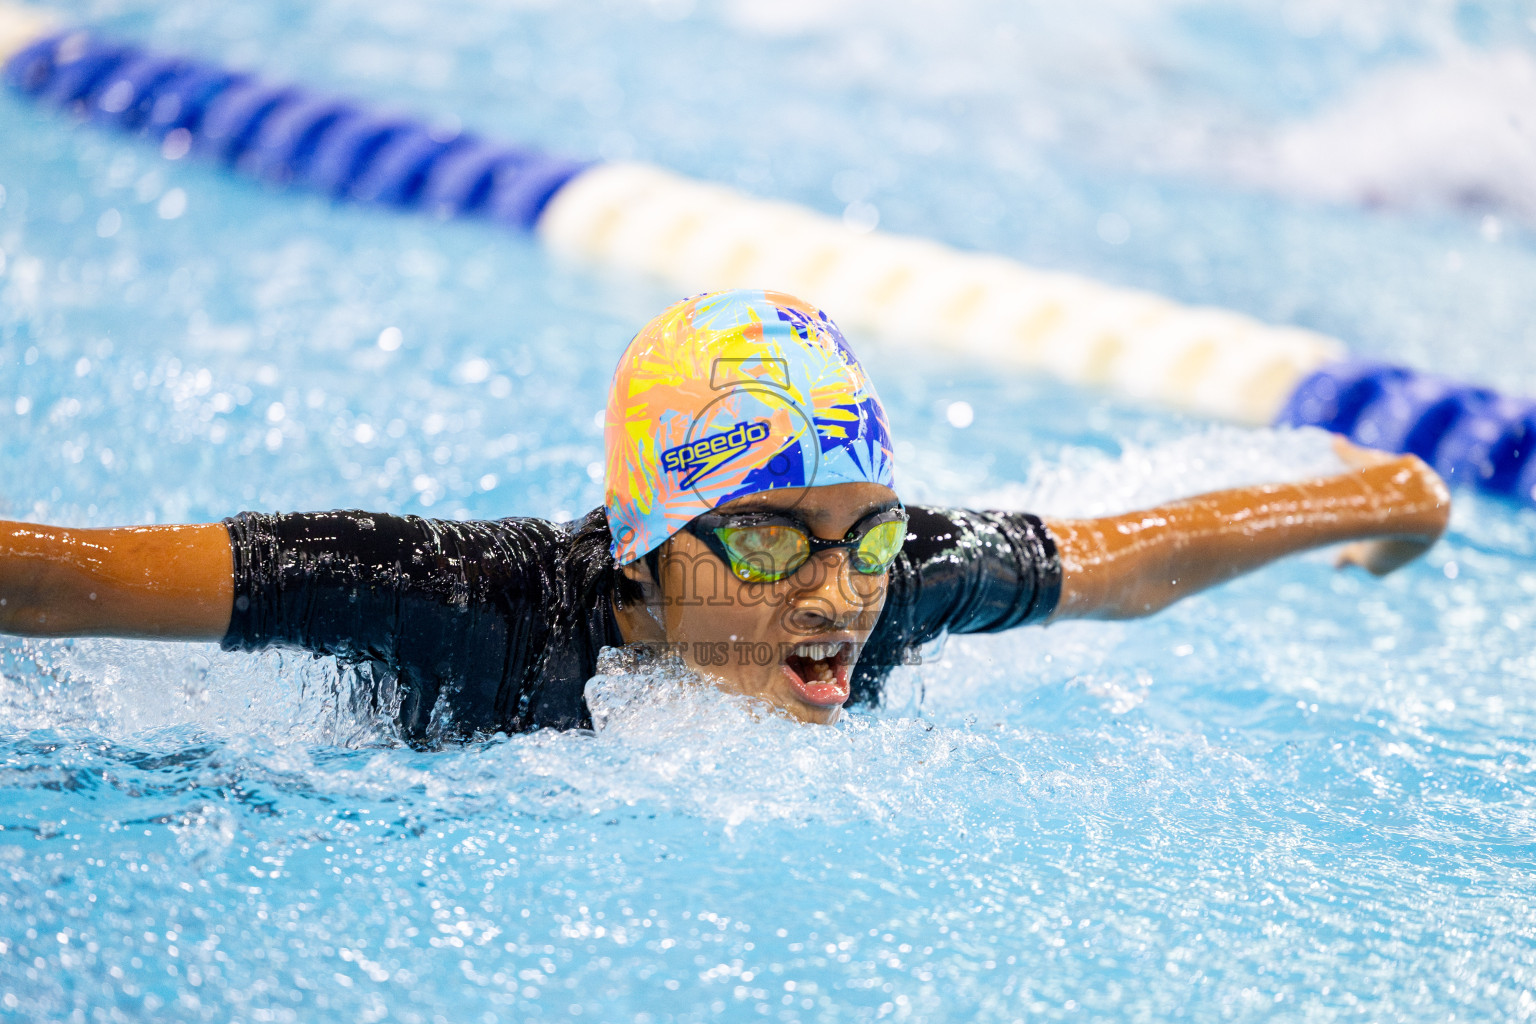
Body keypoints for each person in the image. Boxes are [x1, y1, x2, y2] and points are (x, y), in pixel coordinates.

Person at [0, 289, 1449, 742]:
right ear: (646, 538)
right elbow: (58, 584)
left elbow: (1129, 564)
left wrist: (1379, 498)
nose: (837, 594)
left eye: (867, 529)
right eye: (765, 536)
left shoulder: (898, 583)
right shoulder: (458, 604)